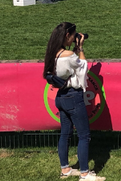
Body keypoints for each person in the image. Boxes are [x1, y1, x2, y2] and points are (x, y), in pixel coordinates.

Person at [42, 22, 104, 181]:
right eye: (73, 35)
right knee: (84, 135)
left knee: (65, 134)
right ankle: (84, 173)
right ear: (67, 35)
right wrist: (81, 48)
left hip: (61, 97)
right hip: (73, 97)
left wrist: (75, 50)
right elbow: (83, 69)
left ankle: (65, 169)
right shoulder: (69, 56)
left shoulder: (53, 53)